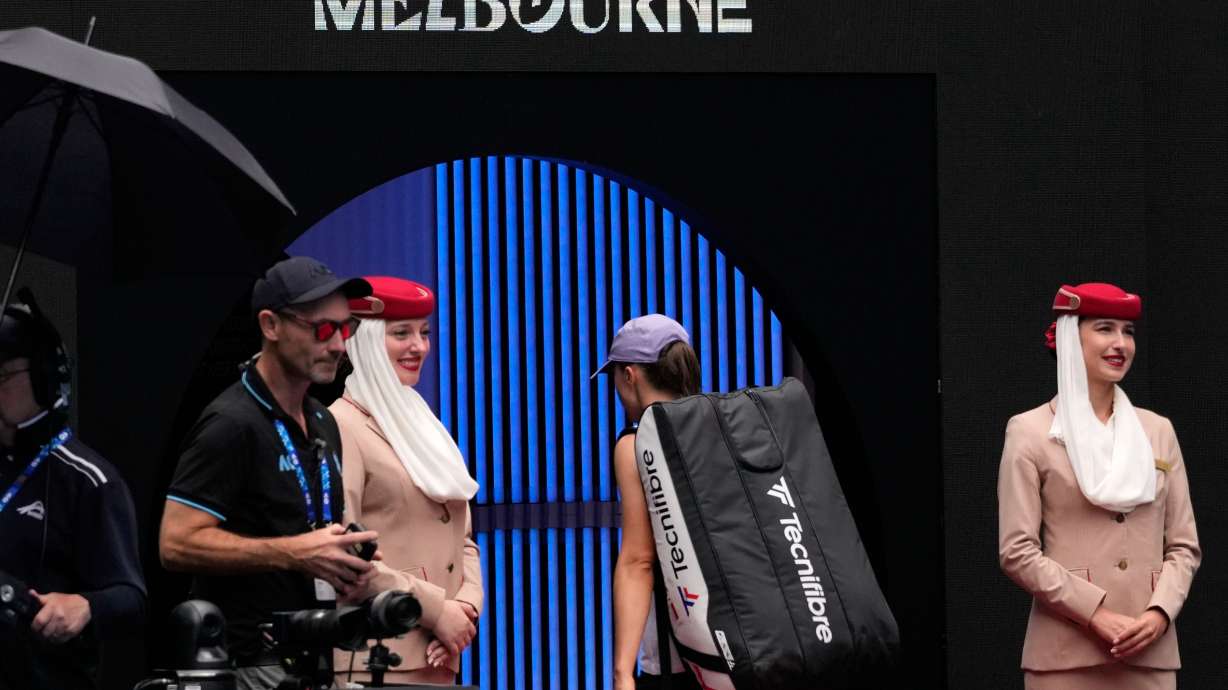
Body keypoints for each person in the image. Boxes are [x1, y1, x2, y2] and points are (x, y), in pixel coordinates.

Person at [159, 257, 381, 690]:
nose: (338, 344)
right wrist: (294, 552)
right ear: (271, 325)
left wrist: (343, 562)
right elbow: (175, 542)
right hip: (247, 664)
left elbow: (309, 534)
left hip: (312, 657)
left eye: (346, 328)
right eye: (322, 329)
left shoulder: (322, 420)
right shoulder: (232, 423)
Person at [998, 282, 1201, 690]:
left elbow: (1184, 546)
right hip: (1064, 655)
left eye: (1127, 331)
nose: (1121, 343)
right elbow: (1016, 551)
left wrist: (1159, 613)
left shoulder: (1157, 430)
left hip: (1149, 653)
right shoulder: (1030, 431)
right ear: (1072, 336)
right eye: (1105, 328)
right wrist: (1095, 613)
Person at [330, 276, 482, 685]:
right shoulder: (341, 425)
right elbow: (344, 554)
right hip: (375, 659)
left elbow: (463, 539)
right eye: (401, 333)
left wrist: (464, 609)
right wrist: (436, 611)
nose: (419, 346)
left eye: (424, 332)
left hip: (440, 654)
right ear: (362, 341)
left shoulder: (422, 422)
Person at [0, 290, 145, 690]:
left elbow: (131, 598)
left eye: (4, 375)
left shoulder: (89, 479)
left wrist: (84, 605)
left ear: (47, 378)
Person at [594, 314, 703, 690]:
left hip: (679, 653)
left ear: (630, 375)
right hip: (743, 647)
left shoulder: (636, 443)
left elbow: (639, 560)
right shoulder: (721, 424)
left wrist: (623, 672)